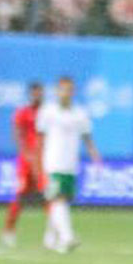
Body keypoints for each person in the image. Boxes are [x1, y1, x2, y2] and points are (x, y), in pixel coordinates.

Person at [36, 76, 101, 253]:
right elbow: (40, 138)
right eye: (63, 89)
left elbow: (87, 136)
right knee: (58, 199)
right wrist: (37, 162)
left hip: (70, 164)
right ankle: (67, 237)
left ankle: (50, 239)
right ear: (57, 91)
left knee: (61, 199)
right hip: (52, 163)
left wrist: (94, 154)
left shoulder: (79, 113)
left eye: (69, 89)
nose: (66, 93)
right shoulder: (48, 112)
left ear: (74, 92)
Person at [0, 81, 46, 248]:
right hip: (26, 162)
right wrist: (27, 156)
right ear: (30, 94)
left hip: (44, 161)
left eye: (40, 93)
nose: (38, 96)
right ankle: (8, 231)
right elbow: (17, 136)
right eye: (35, 93)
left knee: (50, 196)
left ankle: (53, 234)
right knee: (20, 197)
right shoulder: (23, 113)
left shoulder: (47, 114)